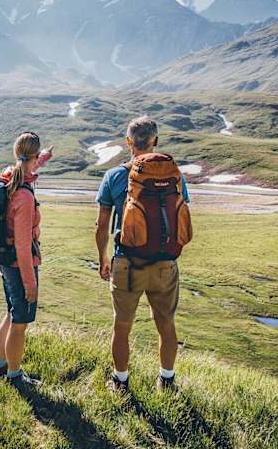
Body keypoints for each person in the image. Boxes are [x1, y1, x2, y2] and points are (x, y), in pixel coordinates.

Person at [94, 116, 190, 392]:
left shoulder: (114, 176)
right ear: (155, 142)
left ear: (128, 142)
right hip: (165, 263)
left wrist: (103, 259)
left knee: (122, 325)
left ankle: (120, 382)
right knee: (166, 324)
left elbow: (102, 225)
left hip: (127, 262)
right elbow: (181, 215)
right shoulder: (175, 175)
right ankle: (167, 381)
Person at [0, 132, 52, 387]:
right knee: (20, 323)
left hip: (6, 263)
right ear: (33, 156)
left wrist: (43, 158)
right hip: (20, 266)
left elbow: (28, 167)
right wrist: (30, 284)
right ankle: (15, 376)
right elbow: (23, 245)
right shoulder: (25, 197)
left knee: (11, 313)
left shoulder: (9, 177)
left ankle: (2, 364)